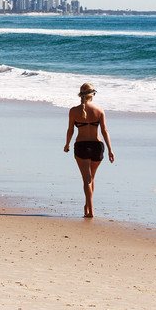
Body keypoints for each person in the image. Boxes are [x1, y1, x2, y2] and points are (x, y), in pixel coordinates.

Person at [63, 82, 114, 218]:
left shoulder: (73, 111)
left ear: (81, 95)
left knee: (86, 179)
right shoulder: (99, 110)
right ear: (93, 94)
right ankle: (87, 205)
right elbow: (105, 131)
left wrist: (67, 144)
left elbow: (70, 130)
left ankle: (90, 210)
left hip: (81, 146)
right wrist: (110, 149)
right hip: (97, 146)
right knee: (91, 178)